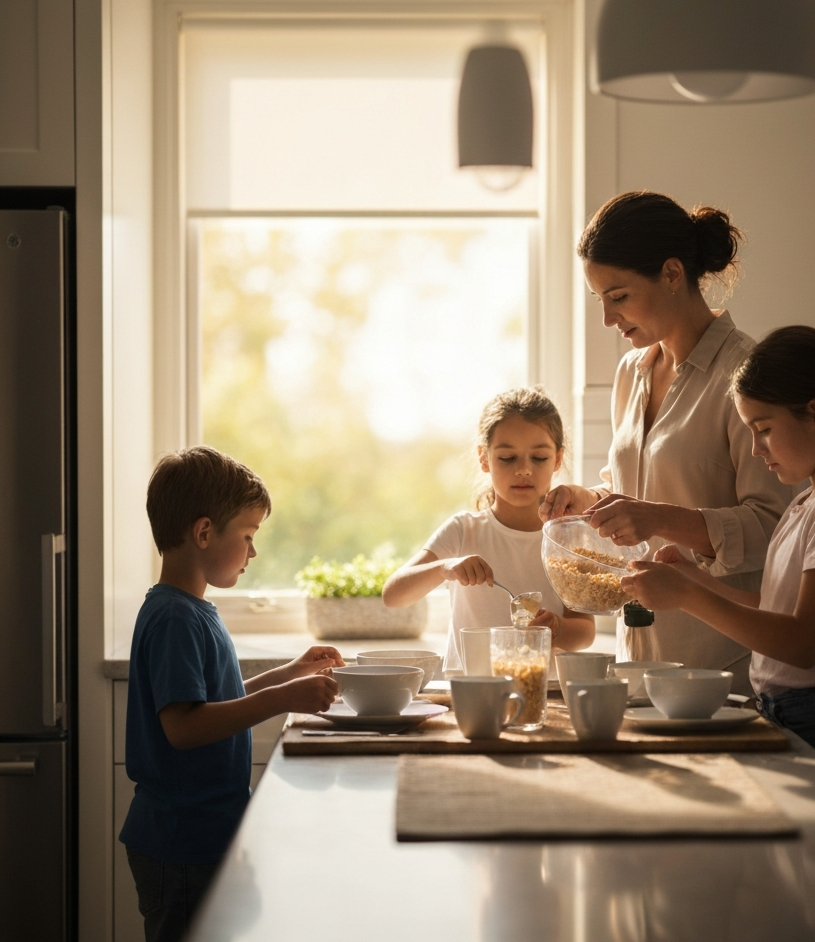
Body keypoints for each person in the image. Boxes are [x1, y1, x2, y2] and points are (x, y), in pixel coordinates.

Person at [622, 326, 815, 813]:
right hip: (810, 722)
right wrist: (694, 580)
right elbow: (776, 610)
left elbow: (803, 644)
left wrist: (686, 598)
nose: (758, 449)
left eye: (763, 429)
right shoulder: (813, 501)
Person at [541, 191, 791, 690]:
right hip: (639, 658)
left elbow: (777, 528)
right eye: (600, 301)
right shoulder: (631, 372)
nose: (609, 320)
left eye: (619, 297)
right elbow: (631, 485)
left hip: (721, 667)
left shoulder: (746, 376)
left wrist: (657, 518)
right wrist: (587, 501)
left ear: (673, 274)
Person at [120, 446, 342, 942]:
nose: (254, 552)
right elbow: (184, 728)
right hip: (180, 842)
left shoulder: (193, 609)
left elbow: (213, 701)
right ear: (203, 533)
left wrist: (288, 673)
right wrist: (284, 700)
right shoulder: (176, 617)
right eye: (247, 535)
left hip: (202, 835)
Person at [383, 388, 595, 674]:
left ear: (558, 459)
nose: (523, 470)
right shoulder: (463, 531)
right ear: (484, 458)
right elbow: (393, 594)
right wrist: (445, 568)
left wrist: (557, 628)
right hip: (470, 691)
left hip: (541, 692)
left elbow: (585, 632)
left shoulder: (568, 540)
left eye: (539, 458)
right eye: (508, 458)